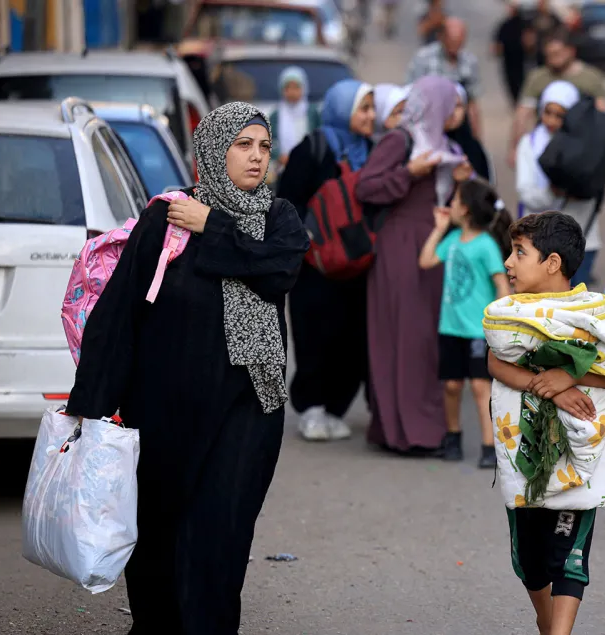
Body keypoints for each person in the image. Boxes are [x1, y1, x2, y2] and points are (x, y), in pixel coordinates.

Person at [66, 102, 309, 633]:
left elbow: (277, 271)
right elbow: (121, 309)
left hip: (247, 407)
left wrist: (214, 226)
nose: (256, 157)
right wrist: (91, 403)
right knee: (160, 528)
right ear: (214, 149)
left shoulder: (279, 218)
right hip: (163, 410)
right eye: (243, 144)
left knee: (222, 531)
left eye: (264, 147)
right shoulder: (167, 216)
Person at [485, 211, 605, 635]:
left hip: (580, 454)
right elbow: (496, 362)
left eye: (519, 253)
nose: (508, 262)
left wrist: (572, 375)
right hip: (525, 448)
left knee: (568, 554)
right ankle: (547, 624)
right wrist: (551, 386)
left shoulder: (591, 315)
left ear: (552, 263)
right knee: (530, 561)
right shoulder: (508, 315)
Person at [357, 75, 468, 456]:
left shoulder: (445, 145)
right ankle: (407, 432)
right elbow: (366, 187)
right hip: (401, 247)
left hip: (433, 246)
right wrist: (410, 173)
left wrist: (460, 184)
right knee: (405, 337)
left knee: (425, 340)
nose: (459, 112)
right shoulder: (401, 140)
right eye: (453, 105)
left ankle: (424, 427)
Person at [275, 79, 377, 441]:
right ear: (343, 110)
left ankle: (336, 407)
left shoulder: (371, 151)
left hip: (357, 265)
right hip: (316, 266)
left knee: (351, 337)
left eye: (371, 108)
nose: (371, 116)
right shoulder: (313, 149)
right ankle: (312, 407)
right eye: (363, 108)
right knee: (314, 332)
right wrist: (308, 241)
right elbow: (287, 202)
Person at [418, 178, 512, 467]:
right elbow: (426, 261)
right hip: (450, 328)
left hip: (477, 331)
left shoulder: (485, 246)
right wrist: (439, 228)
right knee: (452, 386)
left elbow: (501, 284)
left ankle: (488, 446)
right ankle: (453, 436)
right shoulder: (452, 241)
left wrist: (502, 320)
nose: (450, 205)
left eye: (455, 201)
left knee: (481, 387)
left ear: (467, 210)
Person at [515, 80, 605, 286]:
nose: (552, 120)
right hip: (539, 244)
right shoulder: (530, 143)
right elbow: (526, 192)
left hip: (583, 241)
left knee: (575, 310)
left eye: (560, 115)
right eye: (548, 112)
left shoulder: (591, 143)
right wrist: (554, 193)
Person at [510, 29, 605, 165]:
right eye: (549, 55)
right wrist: (515, 147)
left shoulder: (591, 78)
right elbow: (522, 114)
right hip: (546, 145)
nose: (553, 59)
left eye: (557, 54)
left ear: (571, 51)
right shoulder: (537, 78)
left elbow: (603, 113)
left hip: (583, 145)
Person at [406, 18, 484, 141]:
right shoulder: (423, 58)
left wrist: (476, 135)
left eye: (459, 42)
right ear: (441, 37)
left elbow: (472, 102)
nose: (455, 47)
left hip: (459, 126)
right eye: (452, 41)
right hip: (428, 124)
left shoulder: (469, 62)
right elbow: (411, 94)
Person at [268, 66, 321, 182]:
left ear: (304, 88)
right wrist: (279, 156)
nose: (292, 92)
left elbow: (319, 138)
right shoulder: (276, 115)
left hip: (309, 168)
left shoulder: (312, 112)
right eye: (288, 88)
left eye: (296, 87)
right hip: (282, 168)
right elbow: (269, 141)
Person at [494, 0, 529, 110]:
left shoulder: (524, 24)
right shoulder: (505, 24)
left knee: (521, 82)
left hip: (521, 60)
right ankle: (516, 104)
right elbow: (498, 42)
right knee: (510, 82)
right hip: (508, 60)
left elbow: (529, 40)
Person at [526, 0, 563, 67]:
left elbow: (560, 31)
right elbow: (529, 33)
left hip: (550, 48)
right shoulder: (533, 17)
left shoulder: (553, 17)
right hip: (537, 50)